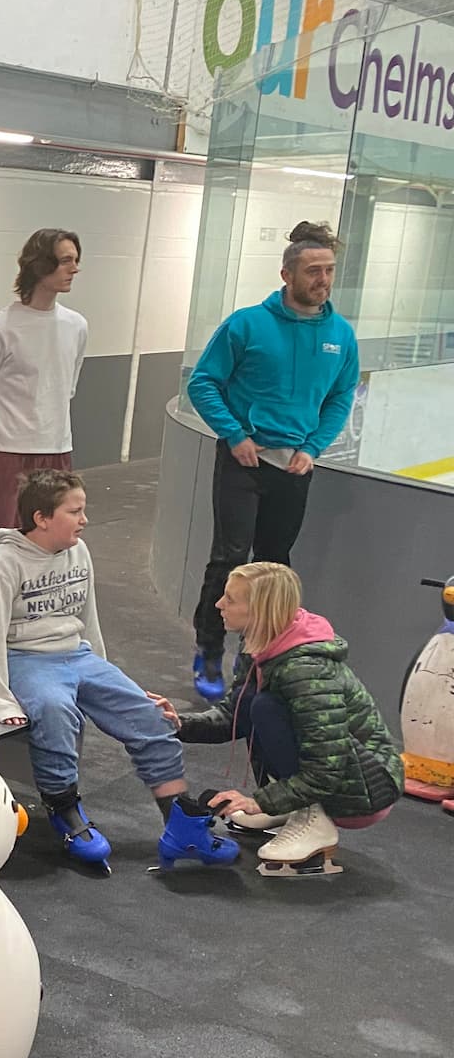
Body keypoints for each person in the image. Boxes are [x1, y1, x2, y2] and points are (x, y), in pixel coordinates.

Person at [0, 471, 237, 872]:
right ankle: (65, 810)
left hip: (77, 655)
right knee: (55, 710)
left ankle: (181, 825)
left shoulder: (79, 551)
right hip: (26, 659)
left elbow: (87, 616)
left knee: (149, 716)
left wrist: (103, 671)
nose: (84, 519)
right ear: (42, 518)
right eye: (75, 511)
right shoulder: (3, 563)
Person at [185, 222, 359, 704]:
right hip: (243, 462)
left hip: (295, 469)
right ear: (287, 274)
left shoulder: (340, 335)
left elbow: (341, 396)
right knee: (230, 559)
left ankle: (256, 657)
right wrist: (235, 434)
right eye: (312, 271)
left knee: (273, 567)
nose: (322, 279)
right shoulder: (246, 325)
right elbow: (203, 383)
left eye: (328, 270)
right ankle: (209, 648)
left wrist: (315, 446)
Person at [163, 562, 400, 878]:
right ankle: (291, 804)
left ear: (260, 609)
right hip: (337, 775)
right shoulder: (263, 645)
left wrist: (258, 801)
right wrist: (178, 724)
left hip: (366, 790)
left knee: (266, 706)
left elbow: (327, 768)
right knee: (255, 703)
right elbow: (233, 716)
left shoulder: (305, 669)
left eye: (230, 599)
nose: (219, 604)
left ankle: (313, 819)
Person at [0, 228, 88, 545]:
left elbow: (66, 389)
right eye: (65, 261)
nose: (75, 269)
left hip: (58, 453)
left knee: (54, 545)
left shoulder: (77, 326)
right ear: (40, 265)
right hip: (7, 456)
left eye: (75, 260)